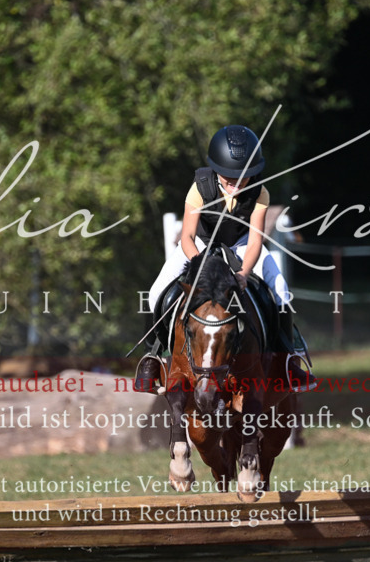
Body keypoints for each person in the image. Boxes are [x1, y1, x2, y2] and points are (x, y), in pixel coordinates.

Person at [134, 124, 316, 393]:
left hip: (241, 244)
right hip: (200, 244)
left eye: (242, 178)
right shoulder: (200, 187)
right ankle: (152, 359)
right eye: (229, 178)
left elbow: (255, 240)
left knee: (280, 289)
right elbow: (186, 236)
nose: (235, 185)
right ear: (217, 169)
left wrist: (243, 273)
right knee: (155, 292)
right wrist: (200, 265)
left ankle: (288, 360)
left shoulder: (259, 192)